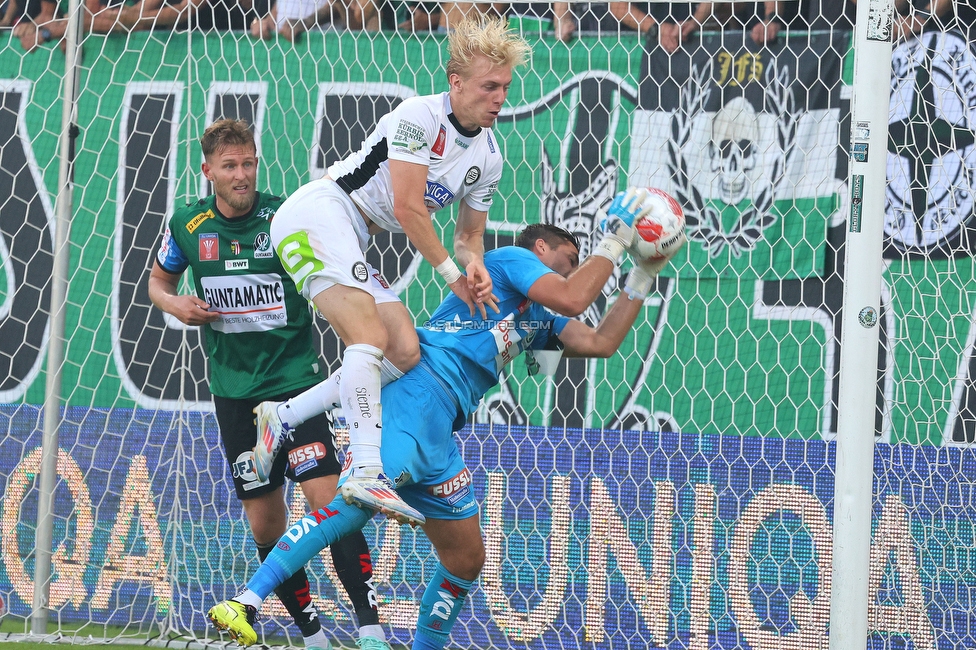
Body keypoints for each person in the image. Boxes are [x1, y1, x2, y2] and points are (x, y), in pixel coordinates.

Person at [206, 188, 686, 650]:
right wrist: (615, 241)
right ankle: (245, 602)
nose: (575, 271)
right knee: (354, 505)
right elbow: (573, 296)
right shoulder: (507, 262)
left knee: (465, 558)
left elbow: (601, 341)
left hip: (443, 429)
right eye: (568, 260)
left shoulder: (538, 318)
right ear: (542, 247)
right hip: (417, 396)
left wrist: (641, 276)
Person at [251, 15, 531, 528]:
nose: (499, 98)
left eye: (506, 88)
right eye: (490, 86)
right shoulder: (417, 117)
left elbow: (469, 237)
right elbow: (407, 208)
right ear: (457, 83)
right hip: (318, 214)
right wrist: (450, 274)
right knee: (369, 335)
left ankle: (282, 416)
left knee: (404, 347)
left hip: (350, 234)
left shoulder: (489, 155)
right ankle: (367, 468)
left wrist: (474, 267)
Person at [148, 119, 391, 650]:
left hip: (295, 386)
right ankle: (312, 636)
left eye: (249, 163)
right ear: (208, 170)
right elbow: (159, 281)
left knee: (330, 506)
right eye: (230, 166)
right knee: (265, 526)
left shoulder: (284, 219)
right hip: (235, 395)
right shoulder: (188, 224)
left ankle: (370, 631)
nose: (242, 175)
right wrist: (175, 303)